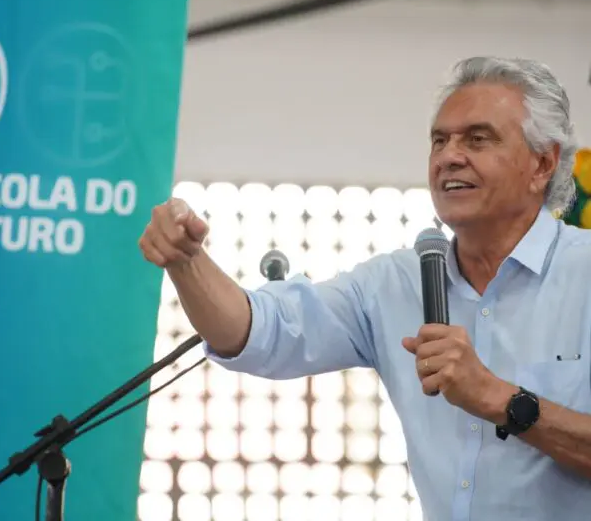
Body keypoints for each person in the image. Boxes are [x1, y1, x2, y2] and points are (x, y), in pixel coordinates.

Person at [139, 56, 591, 520]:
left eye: (478, 138)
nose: (449, 156)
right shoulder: (393, 283)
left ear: (542, 163)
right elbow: (260, 333)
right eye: (439, 140)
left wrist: (502, 399)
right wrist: (187, 261)